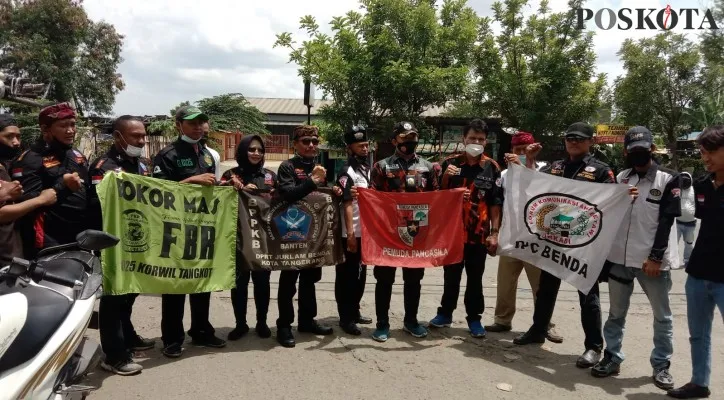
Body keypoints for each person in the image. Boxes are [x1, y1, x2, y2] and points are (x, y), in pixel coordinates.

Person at [514, 122, 617, 370]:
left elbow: (614, 205)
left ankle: (593, 346)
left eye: (580, 139)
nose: (573, 142)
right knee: (546, 289)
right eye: (570, 138)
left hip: (584, 243)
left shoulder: (601, 171)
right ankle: (538, 330)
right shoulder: (555, 167)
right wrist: (529, 161)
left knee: (587, 296)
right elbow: (534, 187)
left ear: (590, 141)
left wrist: (626, 196)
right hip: (555, 239)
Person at [592, 126, 680, 391]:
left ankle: (661, 365)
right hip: (620, 258)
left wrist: (655, 257)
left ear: (652, 149)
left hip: (651, 263)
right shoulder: (621, 177)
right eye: (633, 151)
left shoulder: (668, 179)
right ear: (626, 152)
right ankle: (612, 356)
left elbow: (666, 219)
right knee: (616, 313)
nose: (638, 155)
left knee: (662, 316)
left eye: (643, 150)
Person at [152, 105, 226, 358]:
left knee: (201, 280)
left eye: (201, 122)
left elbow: (215, 188)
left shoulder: (211, 155)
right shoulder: (167, 155)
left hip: (203, 226)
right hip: (174, 227)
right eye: (192, 122)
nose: (198, 127)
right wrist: (191, 180)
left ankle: (201, 331)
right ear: (179, 124)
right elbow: (156, 193)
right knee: (175, 284)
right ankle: (172, 338)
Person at [89, 115, 156, 375]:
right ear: (118, 137)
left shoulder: (141, 165)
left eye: (143, 136)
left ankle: (128, 336)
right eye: (135, 136)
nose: (141, 140)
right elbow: (99, 204)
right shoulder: (103, 167)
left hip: (135, 240)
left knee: (130, 291)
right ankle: (114, 355)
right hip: (111, 243)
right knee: (113, 296)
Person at [485, 131, 563, 344]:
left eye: (524, 150)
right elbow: (497, 205)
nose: (519, 153)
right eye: (516, 150)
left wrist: (526, 163)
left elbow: (539, 191)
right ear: (511, 151)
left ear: (533, 149)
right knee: (505, 283)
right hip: (511, 237)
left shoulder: (545, 170)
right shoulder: (503, 176)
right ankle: (502, 320)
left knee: (541, 286)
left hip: (537, 240)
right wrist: (495, 232)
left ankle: (545, 324)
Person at [427, 119, 502, 338]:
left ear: (485, 141)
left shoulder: (492, 167)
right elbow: (436, 198)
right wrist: (446, 178)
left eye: (480, 139)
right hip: (452, 234)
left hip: (478, 234)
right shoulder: (450, 164)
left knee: (475, 279)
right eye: (472, 138)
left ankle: (474, 318)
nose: (476, 142)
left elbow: (496, 203)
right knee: (451, 276)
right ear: (464, 139)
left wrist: (495, 233)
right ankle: (445, 314)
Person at [668, 125, 724, 400]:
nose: (706, 158)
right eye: (703, 152)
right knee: (698, 335)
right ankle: (699, 382)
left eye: (712, 151)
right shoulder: (701, 186)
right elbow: (683, 215)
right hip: (699, 274)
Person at [370, 121, 439, 342]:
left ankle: (411, 321)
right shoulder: (381, 167)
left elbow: (438, 199)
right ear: (394, 140)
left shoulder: (429, 167)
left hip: (416, 233)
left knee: (413, 280)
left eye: (413, 136)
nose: (410, 141)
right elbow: (373, 199)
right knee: (384, 280)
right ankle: (382, 324)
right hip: (388, 233)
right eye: (404, 137)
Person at [275, 125, 335, 348]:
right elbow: (288, 195)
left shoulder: (321, 165)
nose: (311, 145)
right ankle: (283, 325)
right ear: (295, 144)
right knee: (289, 281)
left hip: (314, 235)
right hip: (291, 232)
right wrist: (312, 181)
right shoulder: (287, 166)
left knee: (310, 280)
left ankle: (307, 321)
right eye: (306, 141)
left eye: (314, 141)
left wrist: (334, 190)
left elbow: (323, 195)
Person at [11, 103, 89, 257]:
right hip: (49, 242)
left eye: (73, 125)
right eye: (63, 126)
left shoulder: (76, 154)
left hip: (79, 236)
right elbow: (26, 203)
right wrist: (62, 186)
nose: (70, 131)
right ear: (45, 129)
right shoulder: (31, 158)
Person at [221, 134, 274, 341]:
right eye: (251, 149)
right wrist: (234, 189)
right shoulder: (230, 175)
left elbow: (280, 200)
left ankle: (262, 322)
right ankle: (240, 324)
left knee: (262, 284)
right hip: (237, 240)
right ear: (243, 151)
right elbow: (217, 199)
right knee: (239, 284)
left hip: (263, 240)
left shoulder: (270, 176)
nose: (256, 153)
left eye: (260, 150)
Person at [0, 113, 57, 266]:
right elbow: (2, 214)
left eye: (18, 137)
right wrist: (41, 200)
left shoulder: (6, 166)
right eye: (9, 136)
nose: (16, 142)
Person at [335, 125, 373, 336]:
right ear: (350, 148)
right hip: (350, 233)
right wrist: (350, 234)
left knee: (360, 275)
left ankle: (355, 310)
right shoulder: (345, 171)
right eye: (360, 146)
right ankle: (345, 318)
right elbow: (347, 203)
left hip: (366, 233)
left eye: (366, 145)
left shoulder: (367, 170)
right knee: (346, 276)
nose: (365, 149)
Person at [676, 172, 696, 269]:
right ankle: (673, 260)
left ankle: (687, 260)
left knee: (689, 243)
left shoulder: (694, 190)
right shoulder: (676, 190)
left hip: (691, 223)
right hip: (677, 222)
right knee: (673, 243)